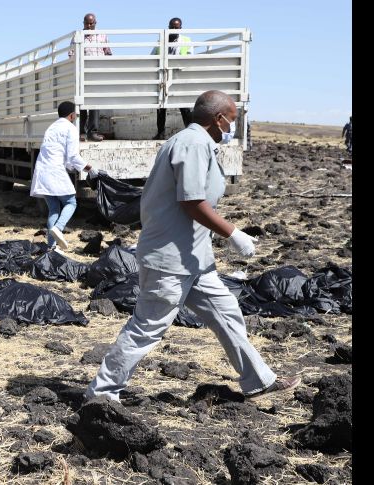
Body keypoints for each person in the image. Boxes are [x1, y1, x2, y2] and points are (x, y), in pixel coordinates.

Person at [85, 90, 301, 402]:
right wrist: (233, 233)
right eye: (231, 122)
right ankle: (102, 394)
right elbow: (191, 201)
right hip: (169, 260)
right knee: (146, 328)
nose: (231, 128)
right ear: (218, 118)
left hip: (194, 258)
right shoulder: (192, 144)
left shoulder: (196, 143)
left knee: (226, 312)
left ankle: (259, 379)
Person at [30, 101, 97, 251]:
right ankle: (59, 228)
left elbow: (64, 156)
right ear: (72, 115)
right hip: (54, 170)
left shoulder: (52, 127)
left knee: (54, 208)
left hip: (42, 170)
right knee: (71, 202)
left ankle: (51, 247)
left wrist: (70, 166)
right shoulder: (70, 128)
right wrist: (90, 168)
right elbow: (73, 156)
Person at [68, 13, 111, 142]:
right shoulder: (77, 36)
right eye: (87, 23)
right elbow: (71, 55)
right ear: (83, 23)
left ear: (95, 23)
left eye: (91, 23)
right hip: (82, 73)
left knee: (95, 103)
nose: (89, 25)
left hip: (97, 73)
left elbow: (108, 52)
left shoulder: (102, 35)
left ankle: (92, 132)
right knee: (81, 105)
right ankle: (81, 132)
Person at [152, 17, 193, 140]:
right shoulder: (162, 40)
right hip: (164, 78)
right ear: (168, 27)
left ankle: (191, 132)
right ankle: (161, 133)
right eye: (172, 27)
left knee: (184, 107)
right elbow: (153, 56)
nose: (174, 29)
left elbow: (191, 59)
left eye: (177, 27)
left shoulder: (187, 41)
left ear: (181, 28)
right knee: (161, 107)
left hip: (179, 78)